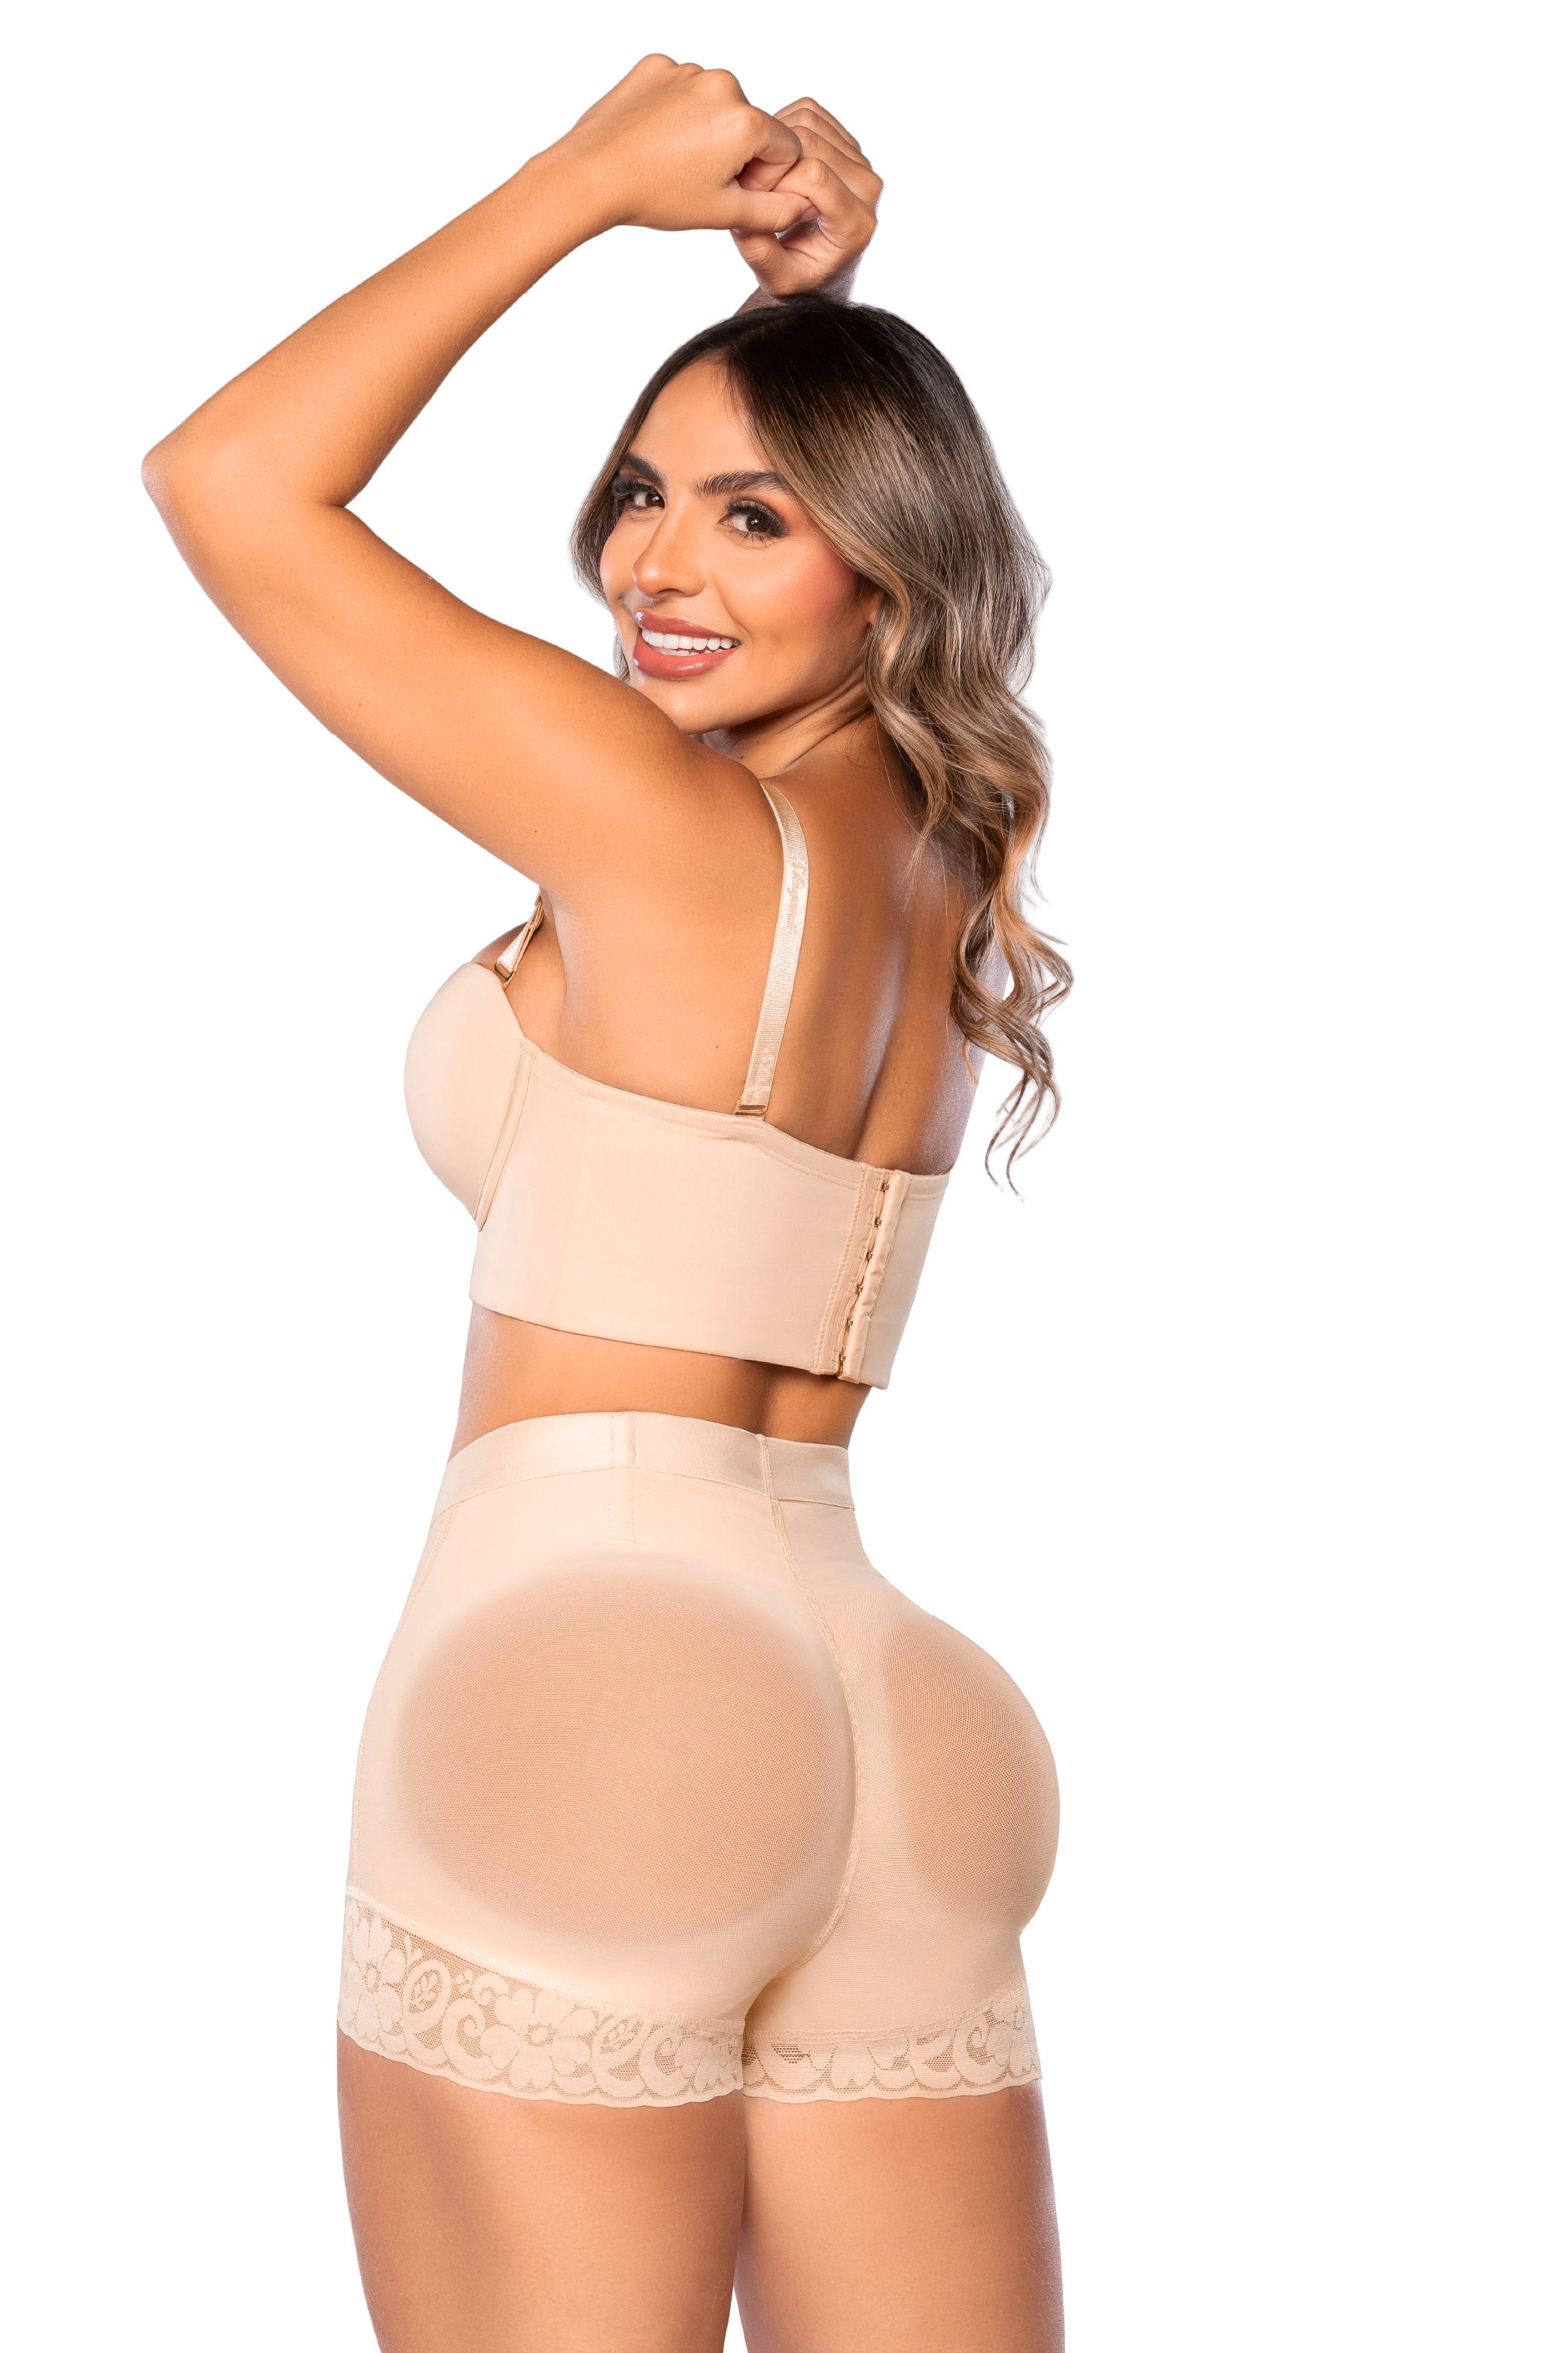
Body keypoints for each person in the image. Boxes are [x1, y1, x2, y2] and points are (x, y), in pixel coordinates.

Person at [145, 56, 1071, 2353]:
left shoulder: (658, 836)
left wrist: (589, 183)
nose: (654, 565)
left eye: (751, 518)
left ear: (883, 556)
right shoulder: (937, 862)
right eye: (643, 495)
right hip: (891, 1724)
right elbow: (833, 587)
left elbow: (228, 478)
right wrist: (807, 324)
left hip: (595, 1686)